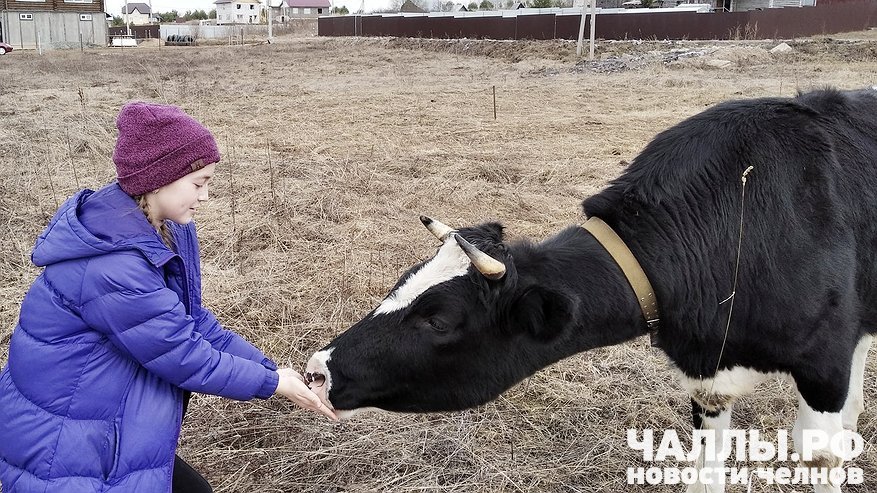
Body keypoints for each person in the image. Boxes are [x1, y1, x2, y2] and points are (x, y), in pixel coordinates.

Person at [0, 102, 336, 493]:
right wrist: (270, 383)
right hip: (67, 443)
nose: (206, 196)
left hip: (106, 415)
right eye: (199, 183)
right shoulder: (114, 267)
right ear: (159, 179)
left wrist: (271, 369)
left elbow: (188, 319)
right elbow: (183, 355)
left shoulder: (163, 227)